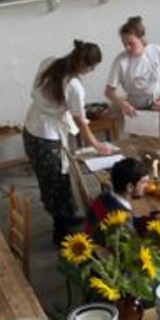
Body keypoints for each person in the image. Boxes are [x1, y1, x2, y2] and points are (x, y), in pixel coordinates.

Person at [23, 40, 116, 244]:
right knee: (56, 182)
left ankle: (66, 217)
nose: (92, 71)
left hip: (31, 129)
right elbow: (80, 122)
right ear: (87, 66)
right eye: (93, 68)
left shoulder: (50, 62)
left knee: (51, 181)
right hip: (46, 137)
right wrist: (97, 145)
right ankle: (61, 233)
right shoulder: (74, 86)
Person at [104, 16, 160, 136]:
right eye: (124, 44)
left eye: (131, 43)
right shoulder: (120, 61)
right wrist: (123, 104)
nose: (127, 47)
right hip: (136, 110)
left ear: (141, 38)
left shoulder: (156, 51)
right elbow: (108, 92)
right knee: (142, 148)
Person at [86, 156, 160, 233]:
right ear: (130, 187)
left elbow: (132, 222)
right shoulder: (120, 215)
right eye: (143, 182)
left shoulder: (105, 196)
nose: (147, 186)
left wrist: (157, 217)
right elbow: (133, 238)